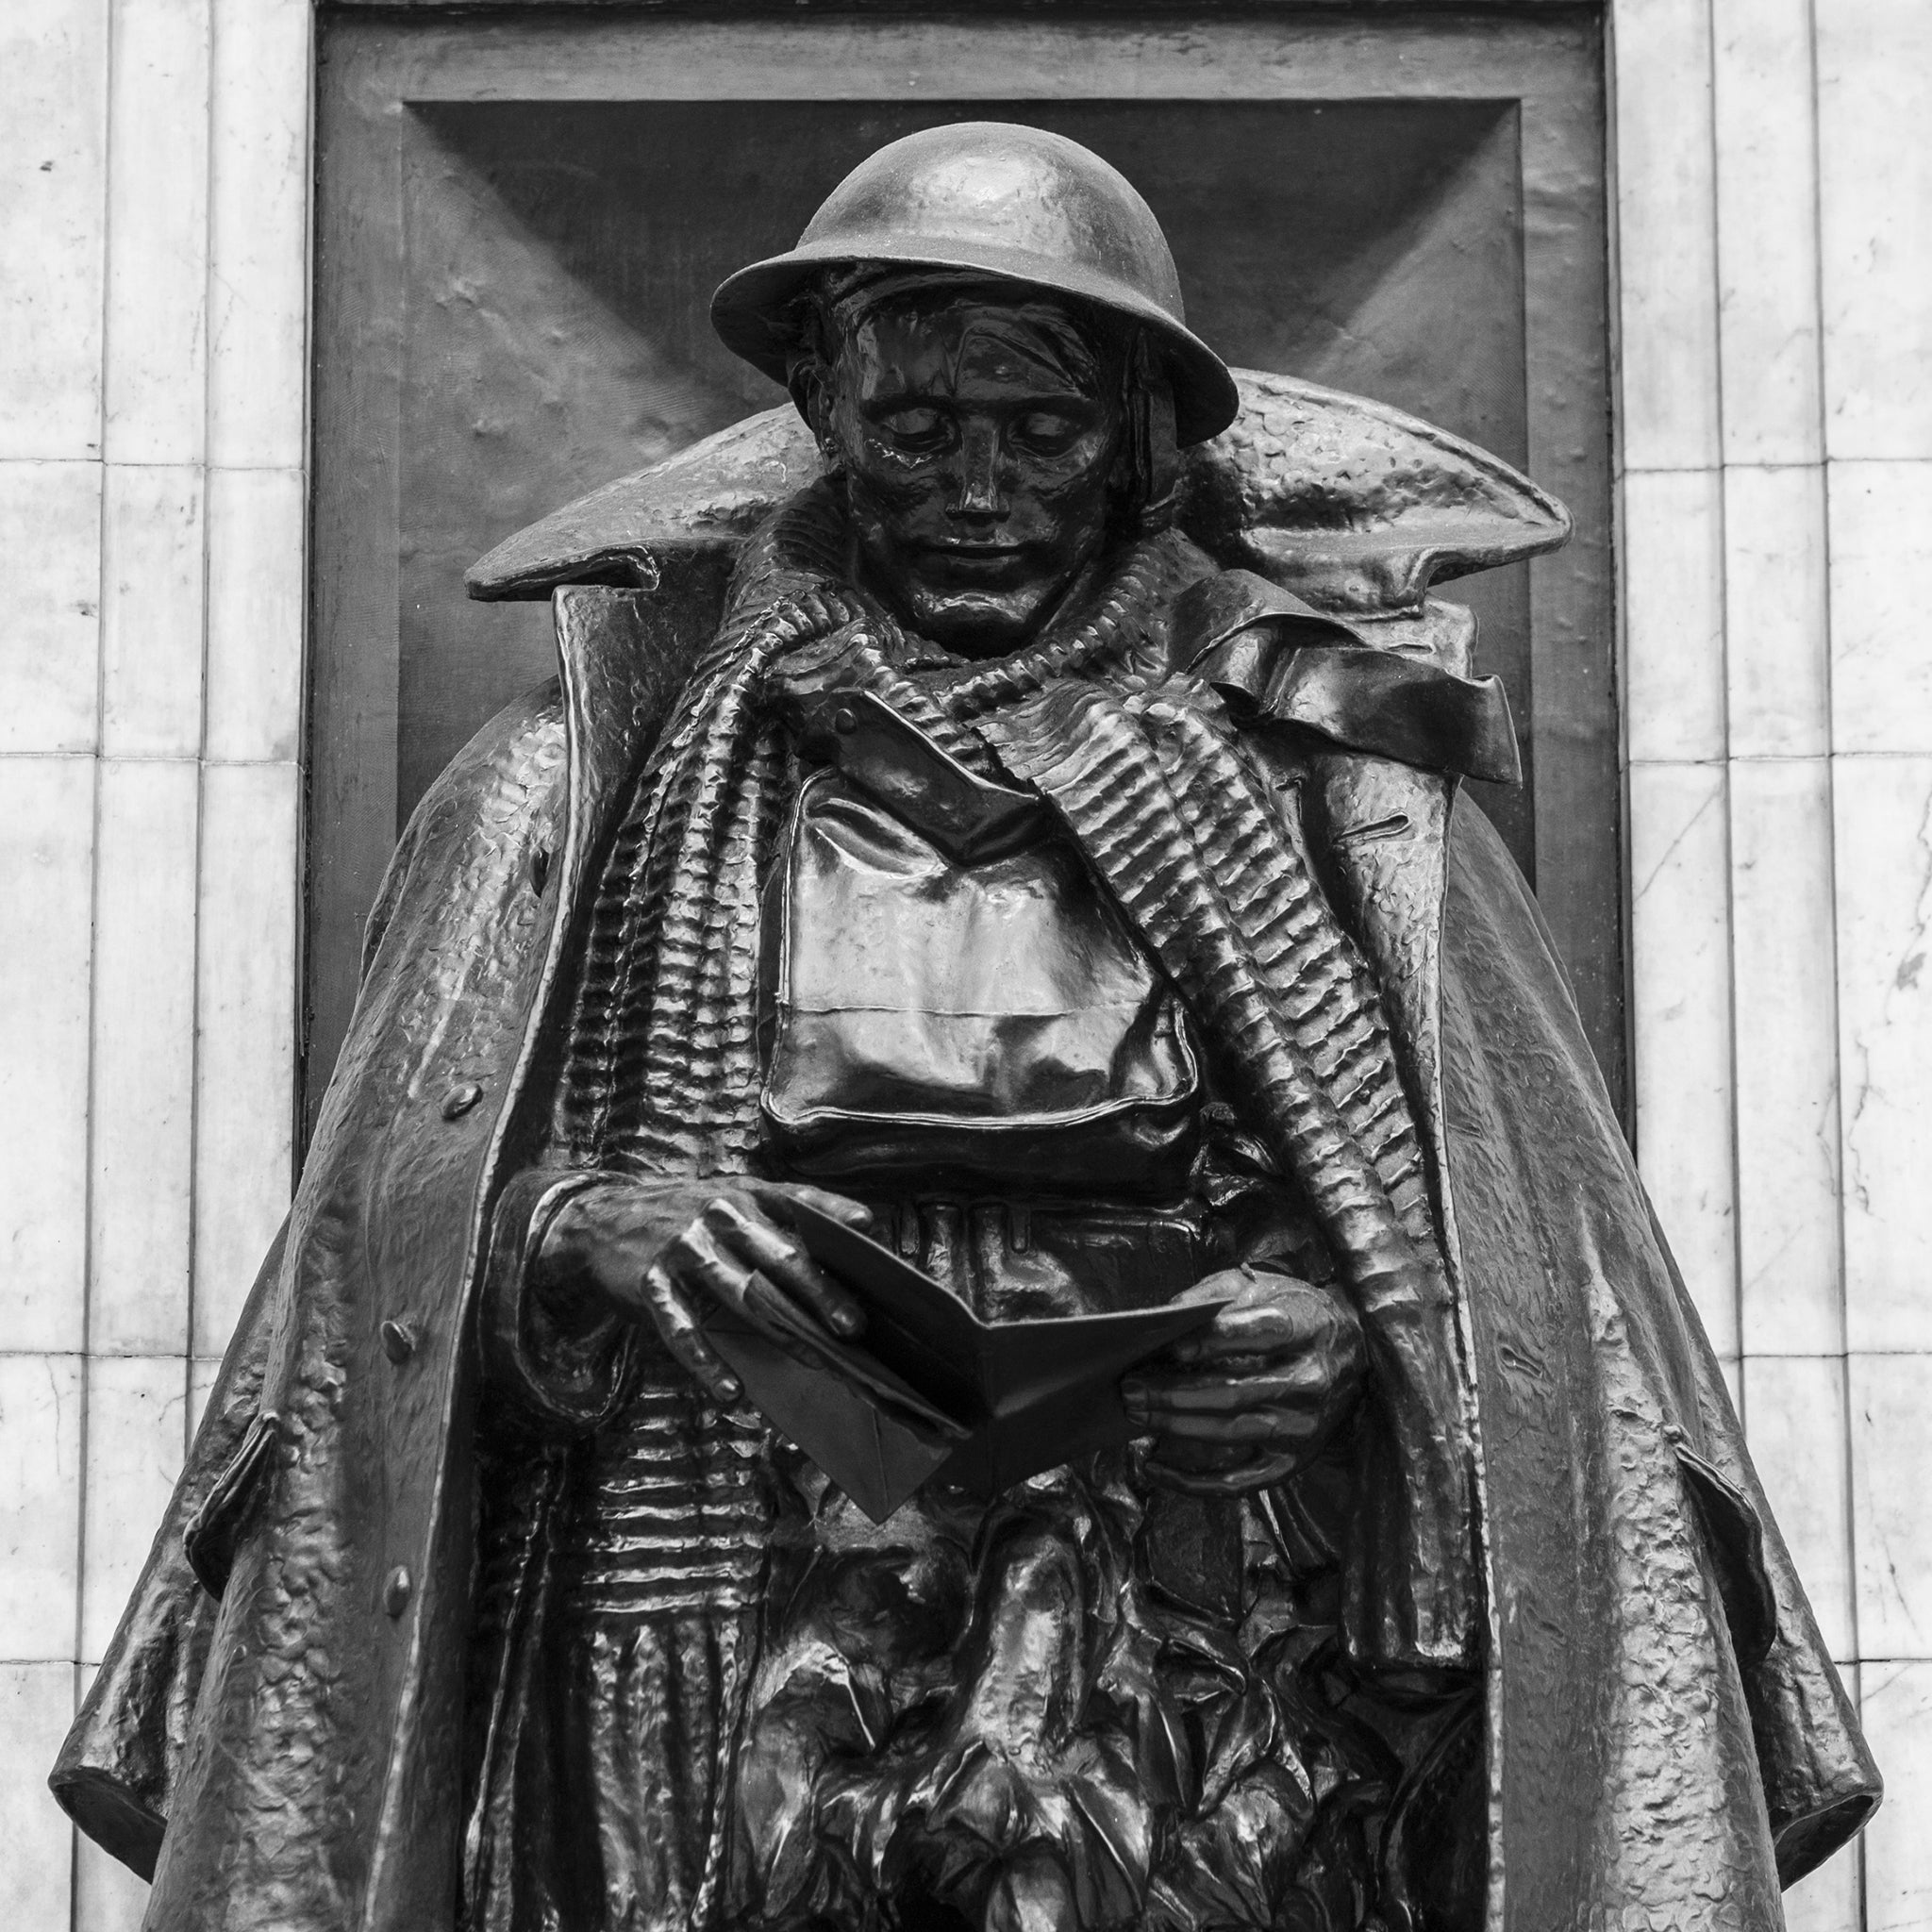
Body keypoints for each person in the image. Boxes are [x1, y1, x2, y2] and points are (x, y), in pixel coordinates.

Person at [56, 123, 1876, 1932]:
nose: (978, 487)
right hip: (721, 1591)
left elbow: (1527, 1275)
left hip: (1194, 1624)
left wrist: (1338, 1336)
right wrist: (569, 1229)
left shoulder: (1338, 791)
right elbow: (374, 1261)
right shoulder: (576, 783)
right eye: (918, 431)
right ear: (827, 423)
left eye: (1043, 430)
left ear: (1143, 450)